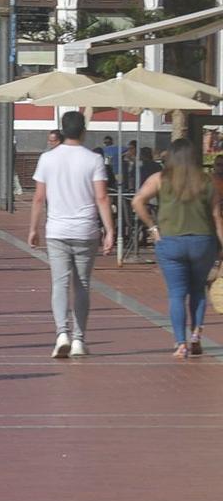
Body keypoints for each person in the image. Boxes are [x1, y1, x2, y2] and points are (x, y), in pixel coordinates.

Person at [28, 110, 115, 359]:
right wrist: (109, 230)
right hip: (86, 229)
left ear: (62, 131)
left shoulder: (47, 159)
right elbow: (101, 196)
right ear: (84, 130)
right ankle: (79, 338)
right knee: (83, 284)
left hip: (57, 229)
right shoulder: (93, 159)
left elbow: (38, 197)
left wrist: (34, 228)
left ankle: (61, 333)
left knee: (60, 283)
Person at [131, 139, 223, 357]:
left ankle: (180, 343)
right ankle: (196, 336)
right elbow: (216, 217)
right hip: (203, 242)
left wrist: (153, 227)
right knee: (198, 290)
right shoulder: (207, 181)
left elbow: (137, 201)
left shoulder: (160, 179)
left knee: (176, 294)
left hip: (171, 242)